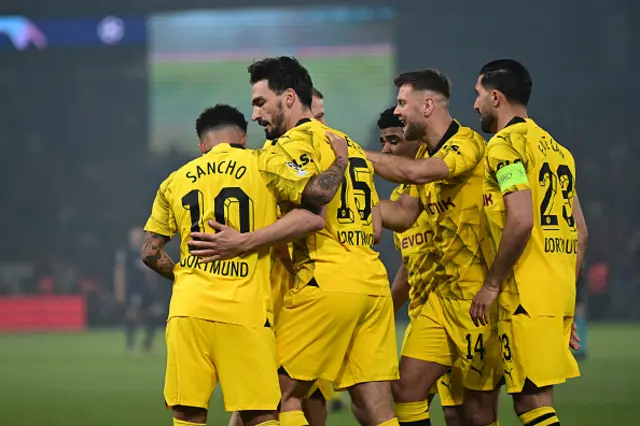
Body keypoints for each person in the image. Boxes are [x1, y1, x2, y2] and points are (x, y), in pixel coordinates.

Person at [189, 56, 399, 426]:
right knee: (378, 411)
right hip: (372, 284)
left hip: (326, 282)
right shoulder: (344, 143)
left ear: (288, 97)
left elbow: (314, 205)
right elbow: (376, 229)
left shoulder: (282, 149)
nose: (254, 115)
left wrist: (244, 242)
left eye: (260, 103)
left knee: (272, 395)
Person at [141, 103, 348, 426]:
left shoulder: (174, 181)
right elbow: (314, 204)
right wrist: (340, 161)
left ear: (201, 145)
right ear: (243, 136)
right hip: (245, 312)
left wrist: (183, 274)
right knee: (261, 414)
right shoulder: (264, 164)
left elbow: (150, 252)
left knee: (188, 413)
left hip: (189, 310)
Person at [365, 69, 501, 426]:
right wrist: (347, 209)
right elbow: (404, 213)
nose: (397, 112)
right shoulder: (423, 154)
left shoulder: (467, 144)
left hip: (477, 297)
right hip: (441, 298)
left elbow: (416, 173)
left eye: (402, 103)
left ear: (427, 105)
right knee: (407, 388)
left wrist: (353, 155)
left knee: (474, 413)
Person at [470, 59, 587, 426]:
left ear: (496, 96)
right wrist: (566, 300)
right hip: (557, 287)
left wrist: (491, 284)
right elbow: (580, 232)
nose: (475, 105)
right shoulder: (557, 150)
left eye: (478, 95)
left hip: (525, 292)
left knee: (531, 401)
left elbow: (521, 218)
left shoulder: (505, 147)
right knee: (516, 395)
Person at [227, 88, 332, 426]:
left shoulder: (317, 160)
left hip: (307, 298)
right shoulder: (270, 164)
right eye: (314, 117)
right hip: (274, 297)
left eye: (322, 117)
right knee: (266, 398)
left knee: (303, 398)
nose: (319, 125)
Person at [377, 106, 467, 426]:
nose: (386, 149)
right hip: (425, 317)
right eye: (383, 142)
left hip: (458, 310)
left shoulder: (447, 189)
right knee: (412, 398)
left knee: (460, 412)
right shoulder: (405, 197)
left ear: (417, 142)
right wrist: (384, 311)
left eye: (392, 140)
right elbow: (408, 268)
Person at [114, 226, 161, 356]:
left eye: (139, 236)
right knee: (132, 315)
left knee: (156, 313)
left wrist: (153, 286)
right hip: (133, 289)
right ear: (130, 238)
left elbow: (152, 271)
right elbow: (120, 272)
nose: (137, 239)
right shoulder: (126, 253)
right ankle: (130, 345)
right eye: (134, 236)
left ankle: (148, 343)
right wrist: (120, 292)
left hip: (147, 289)